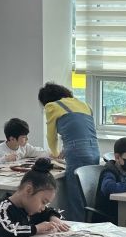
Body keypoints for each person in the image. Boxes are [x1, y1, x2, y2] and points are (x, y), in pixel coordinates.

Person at [38, 82, 100, 221]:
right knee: (88, 195)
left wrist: (55, 154)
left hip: (77, 152)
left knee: (76, 197)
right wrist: (67, 148)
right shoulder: (84, 105)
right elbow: (81, 132)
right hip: (95, 150)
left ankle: (77, 228)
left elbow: (51, 136)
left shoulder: (52, 106)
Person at [0, 158, 69, 237]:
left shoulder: (29, 207)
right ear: (29, 190)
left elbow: (48, 211)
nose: (43, 208)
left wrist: (53, 217)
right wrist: (36, 229)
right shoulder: (3, 209)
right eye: (43, 202)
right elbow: (8, 230)